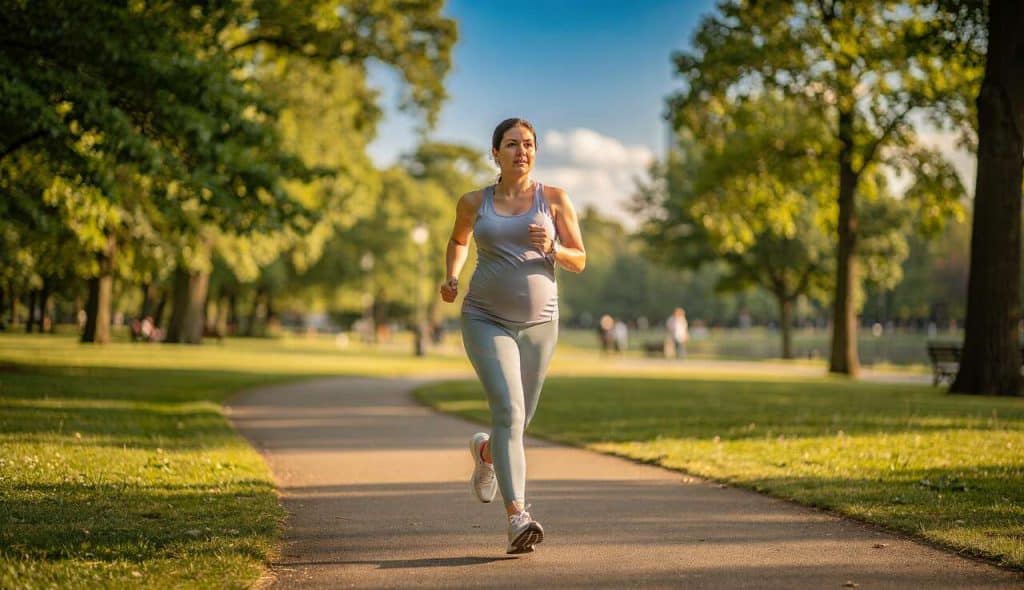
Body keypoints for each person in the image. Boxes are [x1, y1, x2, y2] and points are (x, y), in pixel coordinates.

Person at [439, 117, 586, 554]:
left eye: (528, 144)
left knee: (519, 422)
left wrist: (553, 248)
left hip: (542, 323)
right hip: (485, 317)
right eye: (512, 144)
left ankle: (486, 455)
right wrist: (451, 276)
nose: (521, 151)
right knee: (508, 410)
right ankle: (517, 517)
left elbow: (580, 259)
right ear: (495, 153)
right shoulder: (473, 201)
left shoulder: (555, 199)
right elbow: (458, 239)